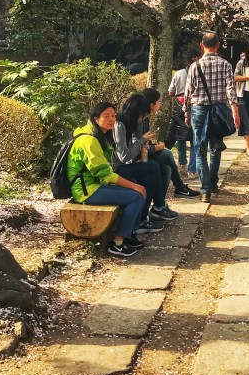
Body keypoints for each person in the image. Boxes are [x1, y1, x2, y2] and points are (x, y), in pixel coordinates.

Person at [67, 102, 147, 258]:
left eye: (113, 115)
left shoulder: (97, 135)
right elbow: (105, 174)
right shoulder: (89, 141)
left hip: (95, 184)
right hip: (86, 190)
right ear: (96, 119)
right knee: (136, 196)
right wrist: (134, 186)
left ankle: (129, 235)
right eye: (106, 116)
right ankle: (118, 244)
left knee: (138, 190)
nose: (111, 119)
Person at [184, 31, 239, 202]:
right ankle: (213, 183)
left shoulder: (195, 66)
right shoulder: (226, 65)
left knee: (200, 151)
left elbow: (188, 92)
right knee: (215, 147)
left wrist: (186, 111)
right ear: (218, 45)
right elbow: (231, 90)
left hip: (199, 110)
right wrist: (235, 111)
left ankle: (205, 190)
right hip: (218, 111)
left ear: (201, 46)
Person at [111, 97, 175, 231]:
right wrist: (142, 140)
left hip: (129, 164)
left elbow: (134, 148)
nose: (141, 120)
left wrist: (143, 145)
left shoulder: (131, 124)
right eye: (141, 116)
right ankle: (159, 205)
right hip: (117, 169)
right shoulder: (119, 125)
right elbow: (124, 156)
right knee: (154, 165)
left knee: (152, 177)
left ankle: (142, 219)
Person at [133, 88, 199, 198]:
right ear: (151, 105)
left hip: (143, 155)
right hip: (136, 158)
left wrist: (154, 143)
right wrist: (158, 147)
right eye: (158, 101)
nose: (159, 104)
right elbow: (139, 147)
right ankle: (179, 187)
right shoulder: (139, 121)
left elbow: (145, 142)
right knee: (166, 153)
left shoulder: (145, 119)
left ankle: (160, 203)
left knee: (166, 169)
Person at [168, 52, 198, 176]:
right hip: (195, 105)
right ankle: (192, 169)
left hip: (179, 104)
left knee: (180, 136)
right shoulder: (200, 73)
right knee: (194, 138)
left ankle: (182, 163)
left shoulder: (179, 73)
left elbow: (171, 92)